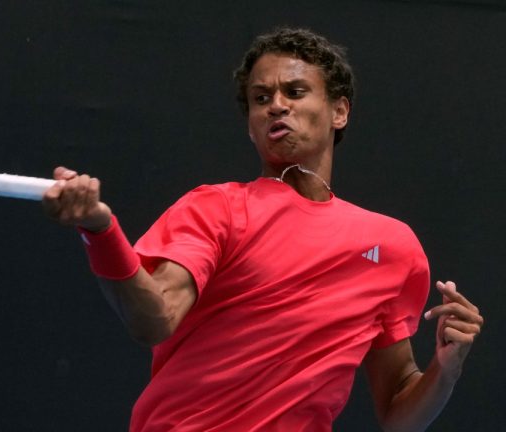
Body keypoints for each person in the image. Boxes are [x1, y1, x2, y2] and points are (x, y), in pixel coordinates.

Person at [42, 27, 484, 431]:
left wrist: (446, 370)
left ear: (339, 112)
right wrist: (101, 230)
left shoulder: (392, 247)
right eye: (260, 98)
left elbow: (397, 413)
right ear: (252, 127)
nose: (276, 105)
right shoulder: (215, 209)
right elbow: (154, 319)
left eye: (295, 91)